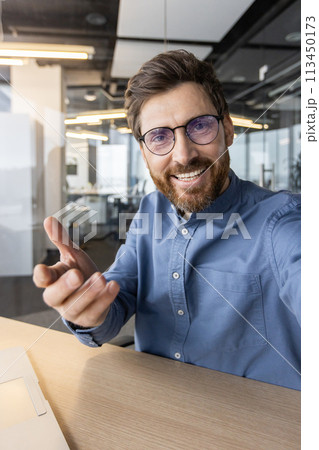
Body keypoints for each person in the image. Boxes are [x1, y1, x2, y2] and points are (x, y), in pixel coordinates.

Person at [33, 50, 300, 390]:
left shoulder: (282, 222)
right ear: (144, 152)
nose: (184, 154)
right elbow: (115, 306)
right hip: (153, 409)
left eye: (200, 126)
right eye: (160, 136)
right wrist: (91, 306)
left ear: (228, 130)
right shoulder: (149, 210)